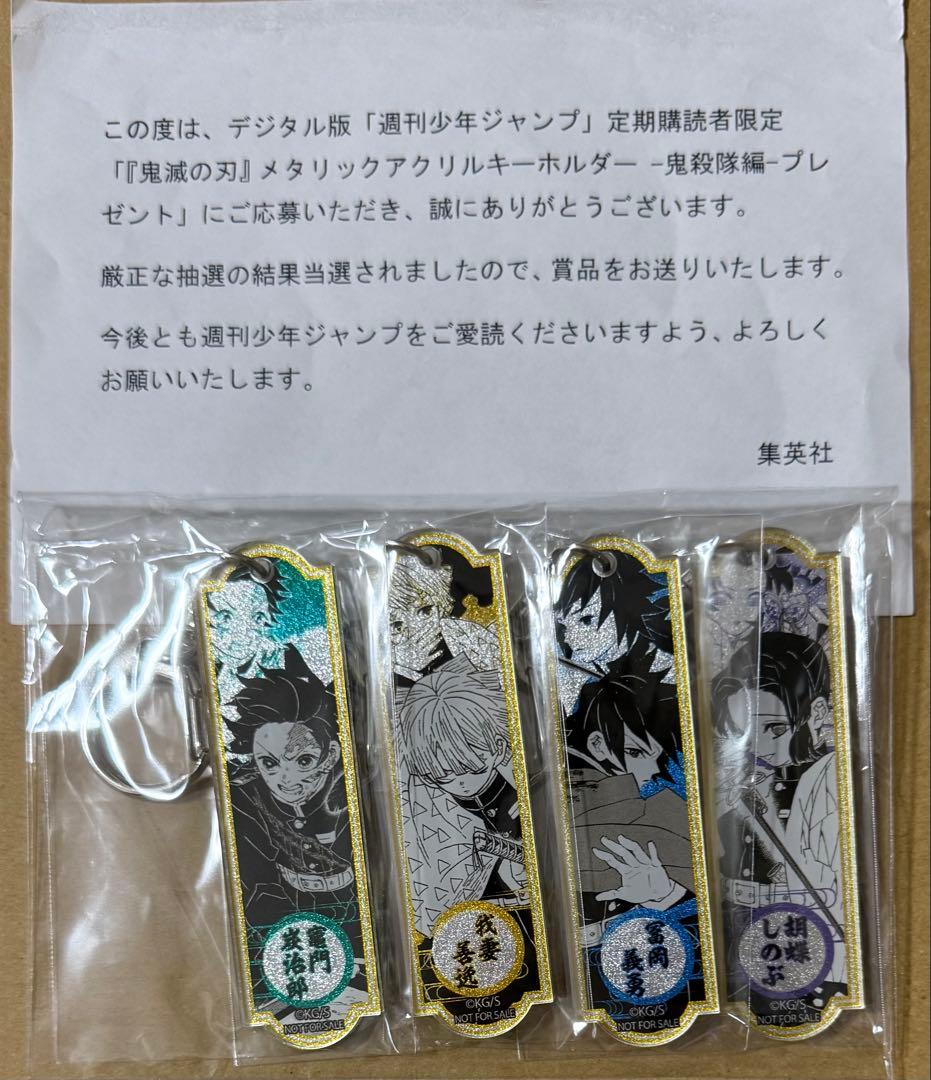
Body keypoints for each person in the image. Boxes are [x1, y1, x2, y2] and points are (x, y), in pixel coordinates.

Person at [711, 630, 844, 1009]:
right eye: (743, 731)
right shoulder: (741, 777)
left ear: (818, 713)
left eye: (775, 729)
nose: (758, 747)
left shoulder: (830, 779)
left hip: (810, 943)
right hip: (740, 938)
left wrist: (759, 812)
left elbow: (821, 882)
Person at [555, 552, 674, 715]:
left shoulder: (666, 671)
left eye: (586, 619)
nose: (570, 637)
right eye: (564, 626)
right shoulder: (590, 687)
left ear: (627, 609)